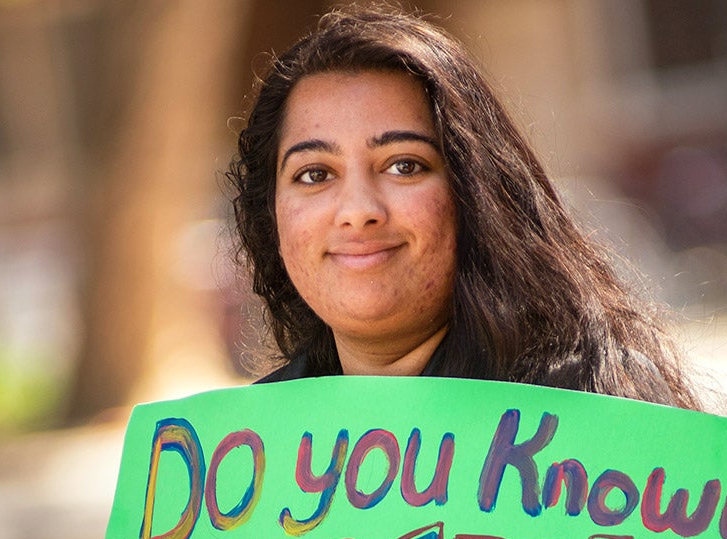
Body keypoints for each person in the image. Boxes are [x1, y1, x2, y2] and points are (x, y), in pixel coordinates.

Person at [228, 4, 701, 409]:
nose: (357, 210)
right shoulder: (243, 463)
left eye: (403, 166)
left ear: (474, 194)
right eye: (314, 174)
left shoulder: (603, 418)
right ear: (270, 216)